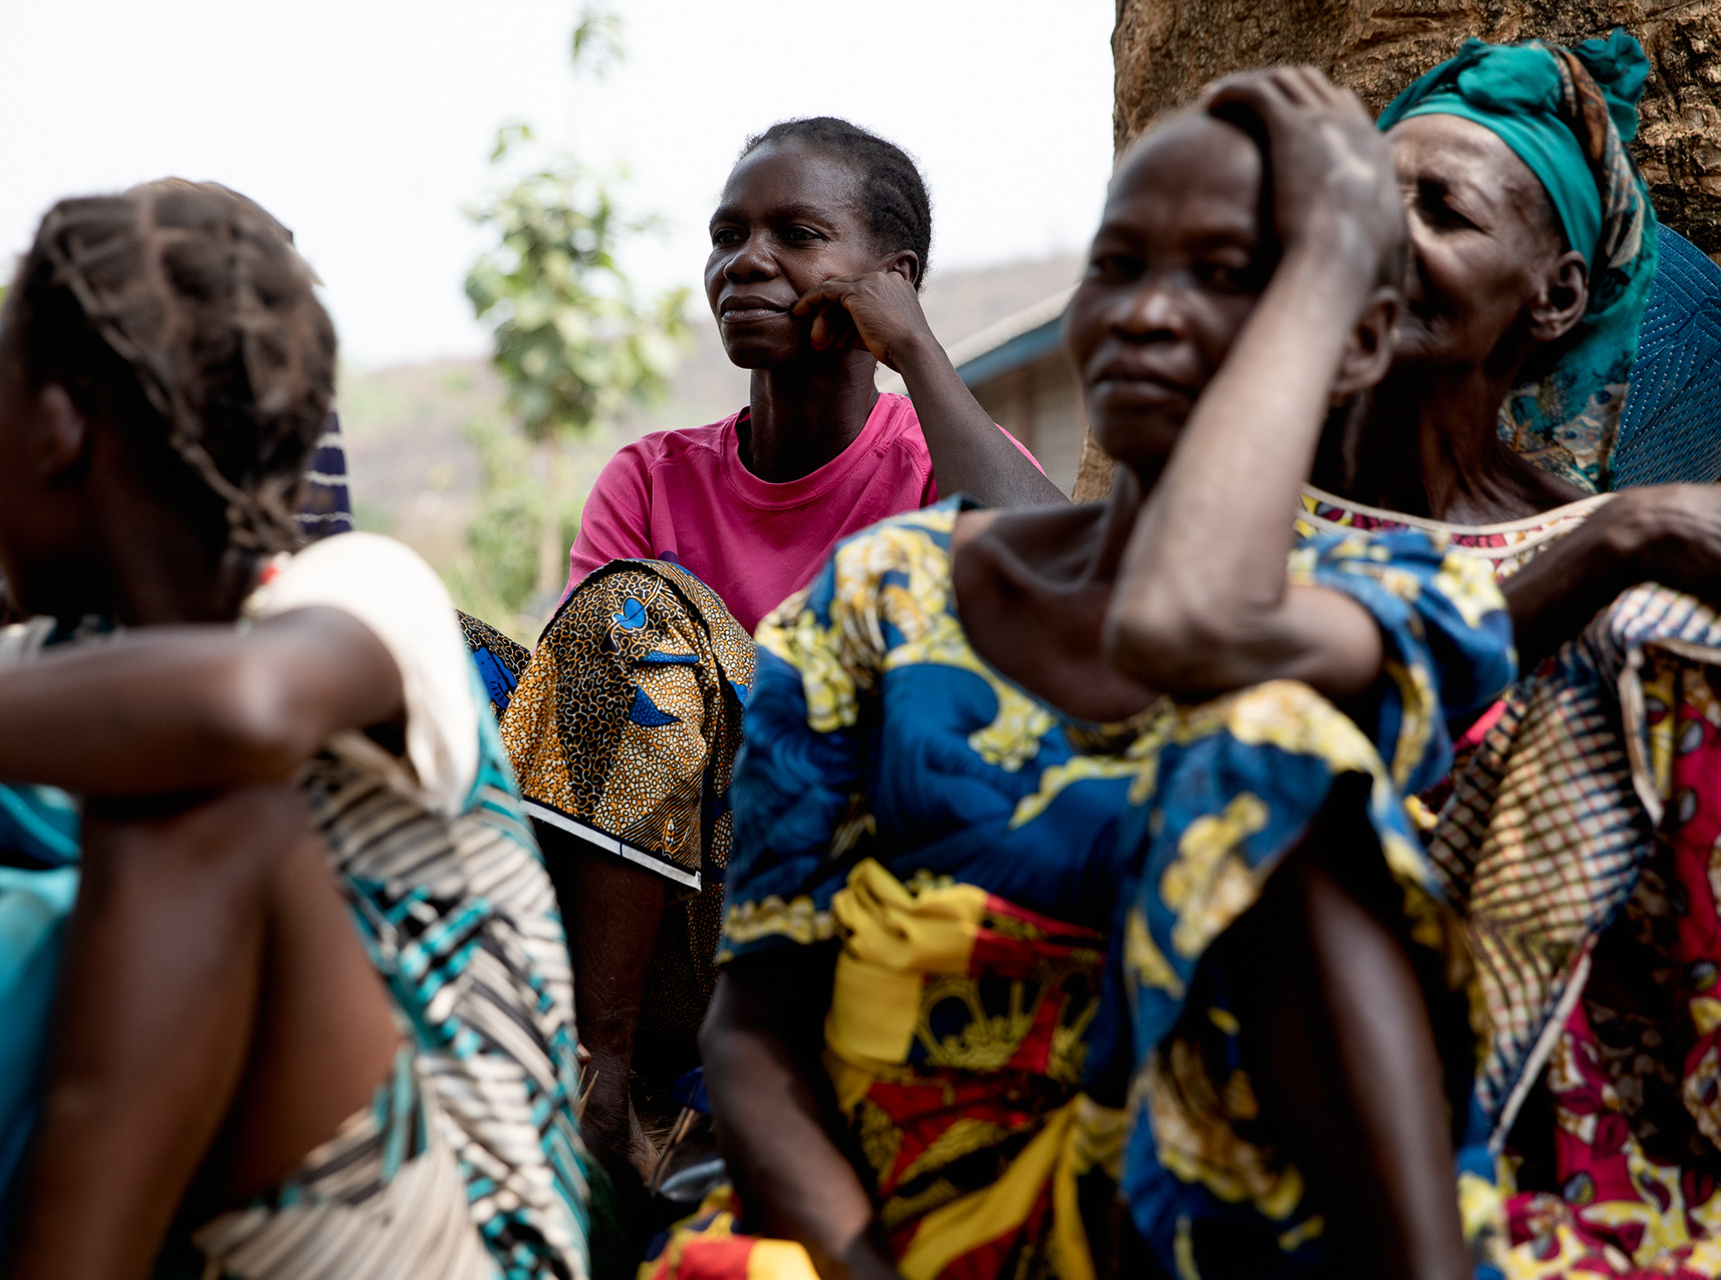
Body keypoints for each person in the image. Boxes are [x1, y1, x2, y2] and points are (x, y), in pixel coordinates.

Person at [656, 72, 1516, 1280]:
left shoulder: (1402, 599)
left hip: (1215, 1222)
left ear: (1351, 332)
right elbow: (758, 1025)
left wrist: (1336, 255)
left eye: (1225, 274)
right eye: (1118, 265)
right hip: (893, 1217)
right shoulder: (882, 601)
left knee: (1270, 753)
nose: (1151, 311)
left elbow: (1192, 625)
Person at [0, 180, 586, 1280]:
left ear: (60, 428)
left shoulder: (357, 591)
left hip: (440, 1234)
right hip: (202, 1225)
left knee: (195, 795)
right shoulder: (34, 664)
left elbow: (236, 710)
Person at [464, 116, 1065, 1185]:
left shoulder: (937, 462)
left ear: (894, 277)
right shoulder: (650, 476)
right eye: (727, 234)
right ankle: (517, 1050)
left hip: (829, 888)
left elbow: (1065, 587)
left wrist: (916, 348)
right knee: (422, 645)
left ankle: (599, 1092)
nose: (747, 260)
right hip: (647, 909)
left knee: (638, 616)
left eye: (795, 233)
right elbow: (576, 733)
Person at [1292, 32, 1721, 1276]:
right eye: (1371, 195)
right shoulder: (1235, 518)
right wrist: (1618, 544)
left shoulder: (1632, 547)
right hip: (1306, 1035)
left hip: (1594, 1105)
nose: (1389, 231)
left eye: (1445, 212)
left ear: (1554, 297)